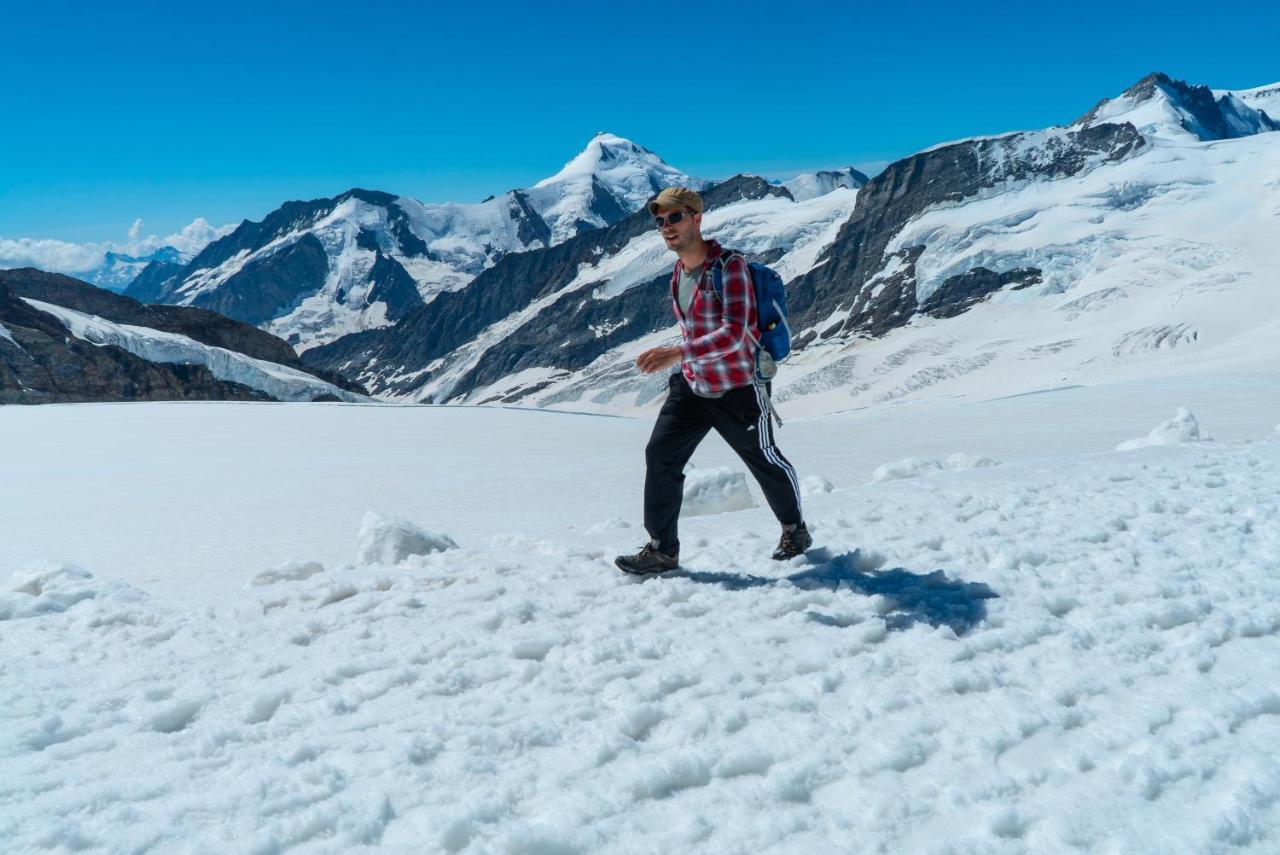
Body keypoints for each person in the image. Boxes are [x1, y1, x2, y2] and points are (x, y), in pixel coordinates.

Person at [614, 187, 812, 576]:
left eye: (674, 217)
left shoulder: (729, 267)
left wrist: (676, 353)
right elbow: (697, 329)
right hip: (692, 385)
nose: (666, 227)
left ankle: (795, 530)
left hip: (737, 388)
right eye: (660, 221)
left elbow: (736, 333)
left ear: (696, 219)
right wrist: (682, 359)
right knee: (660, 456)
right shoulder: (679, 272)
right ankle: (662, 550)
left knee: (765, 459)